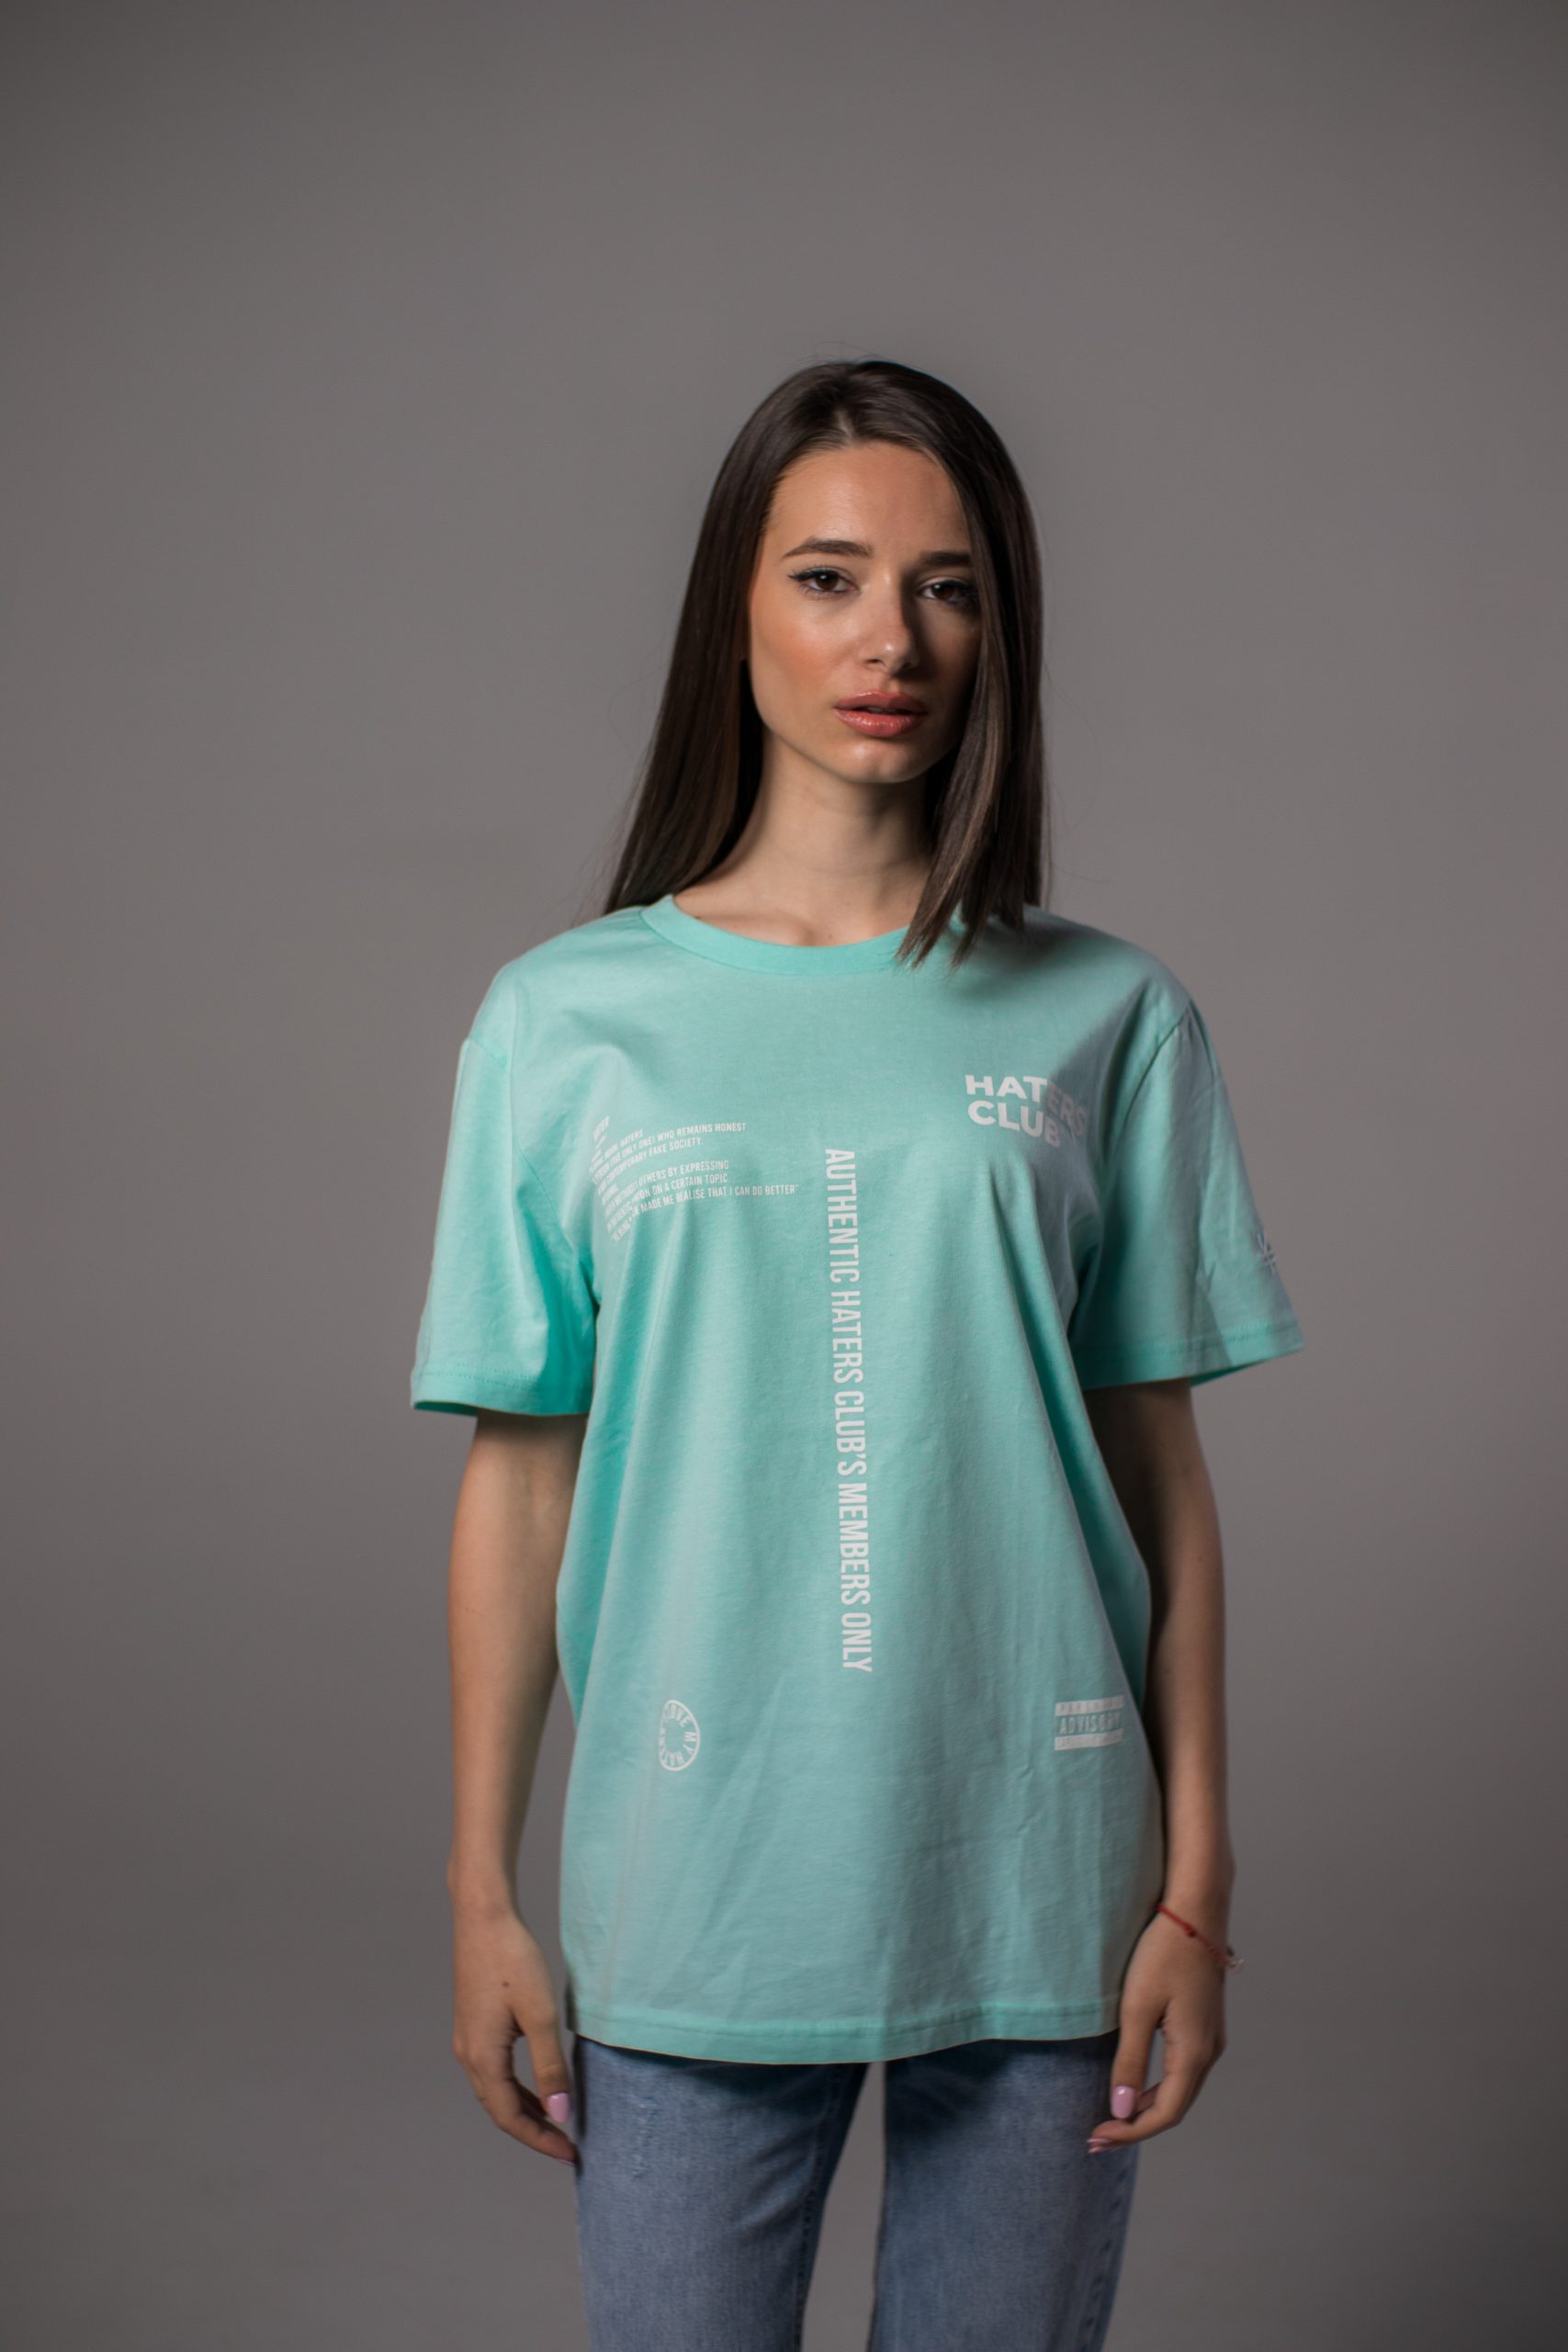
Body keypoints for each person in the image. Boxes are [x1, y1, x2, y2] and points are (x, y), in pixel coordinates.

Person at [409, 357, 1304, 2351]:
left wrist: (1196, 1887)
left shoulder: (1108, 1013)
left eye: (946, 588)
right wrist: (480, 1888)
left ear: (1000, 631)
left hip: (1046, 1886)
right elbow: (523, 1477)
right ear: (733, 610)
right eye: (826, 577)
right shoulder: (564, 1021)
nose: (889, 639)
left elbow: (1155, 1477)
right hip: (695, 1888)